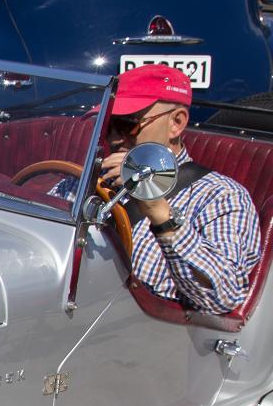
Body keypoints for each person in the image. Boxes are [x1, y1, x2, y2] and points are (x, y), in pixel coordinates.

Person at [104, 64, 261, 314]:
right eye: (107, 125)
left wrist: (160, 213)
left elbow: (224, 296)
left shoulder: (220, 196)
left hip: (145, 330)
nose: (113, 138)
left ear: (176, 123)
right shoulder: (89, 177)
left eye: (126, 125)